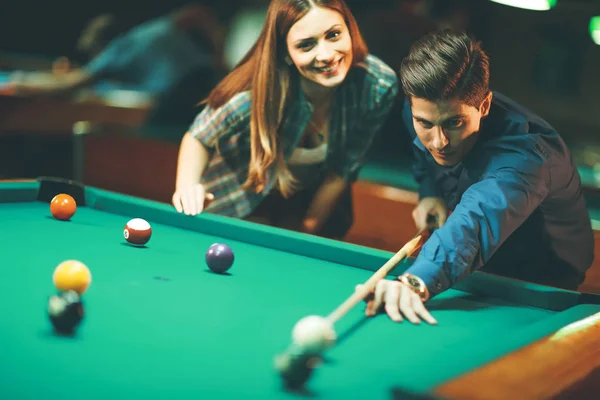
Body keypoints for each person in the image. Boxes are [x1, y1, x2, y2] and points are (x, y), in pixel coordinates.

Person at [360, 30, 594, 325]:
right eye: (426, 123)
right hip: (471, 259)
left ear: (483, 106)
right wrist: (430, 191)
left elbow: (476, 220)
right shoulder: (420, 108)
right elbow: (425, 154)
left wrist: (414, 281)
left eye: (454, 123)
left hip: (541, 278)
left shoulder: (526, 157)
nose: (439, 141)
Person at [172, 0, 398, 239]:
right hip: (245, 200)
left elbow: (342, 170)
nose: (326, 55)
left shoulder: (378, 85)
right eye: (306, 45)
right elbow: (199, 136)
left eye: (333, 35)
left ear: (350, 31)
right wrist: (188, 185)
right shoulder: (255, 94)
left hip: (313, 203)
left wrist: (305, 234)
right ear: (286, 54)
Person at [8, 4, 224, 127]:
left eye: (95, 55)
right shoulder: (146, 33)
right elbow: (196, 13)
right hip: (214, 86)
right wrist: (218, 55)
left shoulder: (119, 48)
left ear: (104, 45)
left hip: (185, 98)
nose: (97, 61)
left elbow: (71, 85)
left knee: (138, 140)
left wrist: (23, 83)